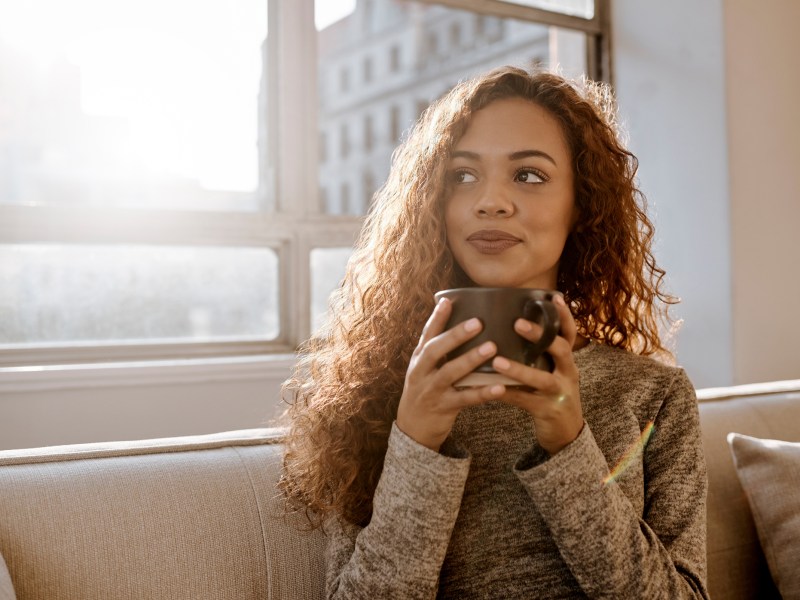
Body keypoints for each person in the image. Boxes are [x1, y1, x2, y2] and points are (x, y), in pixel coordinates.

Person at [280, 66, 708, 599]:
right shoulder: (376, 391)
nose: (490, 201)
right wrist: (416, 439)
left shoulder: (656, 397)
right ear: (435, 203)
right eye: (462, 176)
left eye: (528, 175)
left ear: (582, 204)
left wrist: (568, 444)